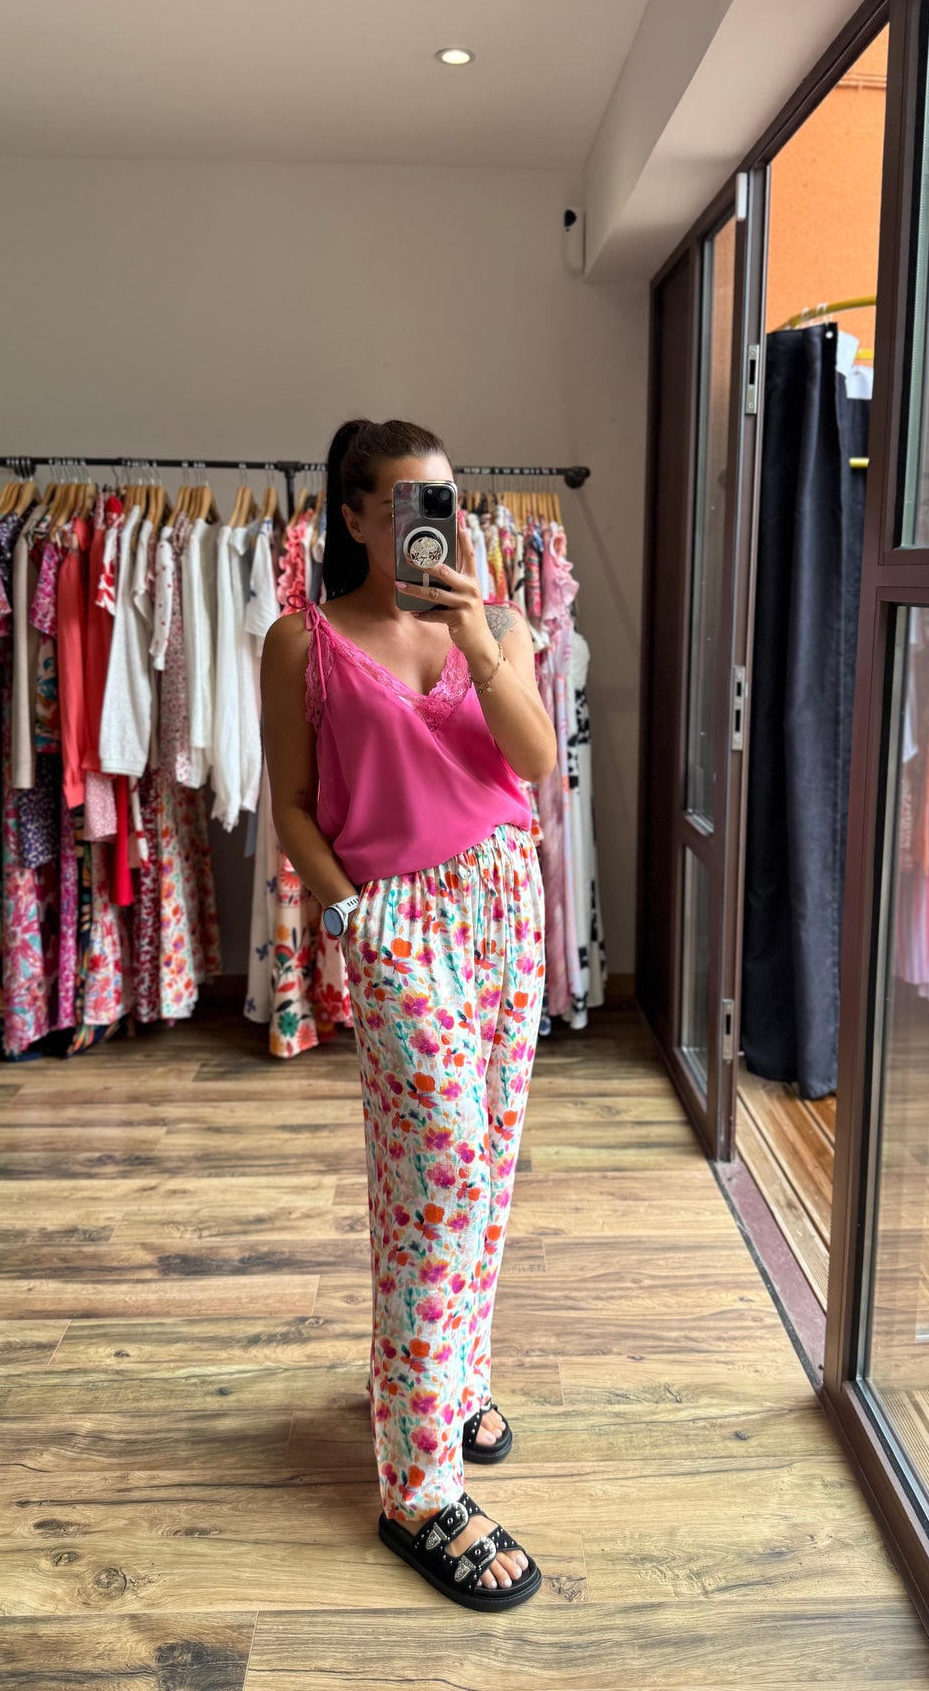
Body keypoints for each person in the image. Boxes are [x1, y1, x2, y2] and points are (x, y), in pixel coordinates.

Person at [260, 418, 557, 1609]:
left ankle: (448, 1378)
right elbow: (292, 805)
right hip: (397, 922)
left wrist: (477, 635)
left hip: (505, 908)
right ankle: (421, 1489)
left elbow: (534, 762)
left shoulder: (501, 625)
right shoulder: (304, 641)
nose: (432, 519)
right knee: (436, 1173)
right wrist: (354, 922)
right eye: (403, 502)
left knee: (489, 1163)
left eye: (446, 498)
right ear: (352, 516)